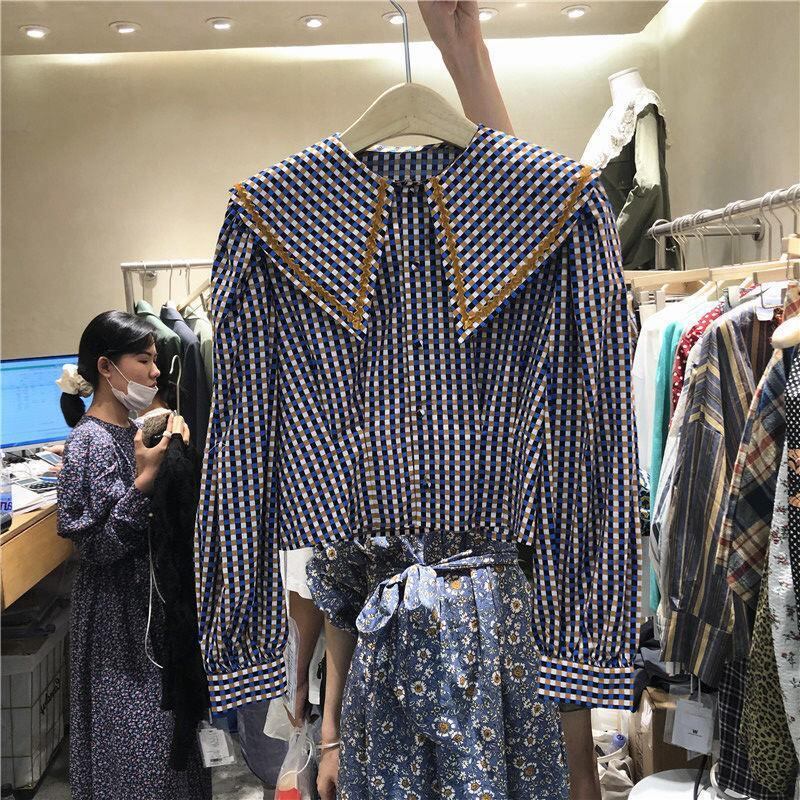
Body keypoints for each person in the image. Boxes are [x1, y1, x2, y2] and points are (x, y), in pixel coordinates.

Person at [315, 3, 603, 799]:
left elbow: (536, 223)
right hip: (388, 683)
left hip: (508, 670)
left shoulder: (515, 370)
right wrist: (327, 734)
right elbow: (340, 590)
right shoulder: (351, 385)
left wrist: (463, 48)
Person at [56, 310, 211, 800]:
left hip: (153, 612)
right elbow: (95, 547)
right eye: (143, 360)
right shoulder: (88, 442)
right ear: (107, 367)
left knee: (170, 747)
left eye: (155, 359)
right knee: (136, 754)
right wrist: (144, 482)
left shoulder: (135, 431)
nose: (156, 371)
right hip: (117, 621)